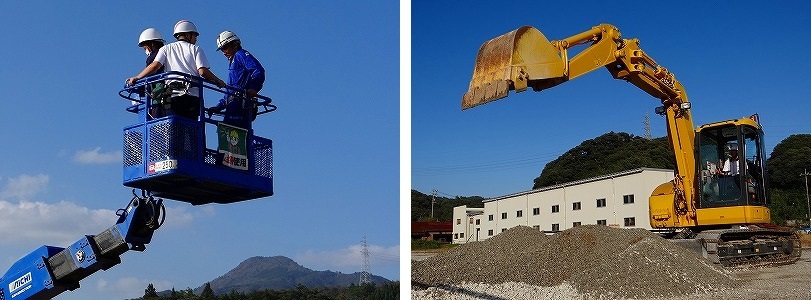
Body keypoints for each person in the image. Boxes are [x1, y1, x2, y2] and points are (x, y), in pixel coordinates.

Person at [127, 20, 225, 120]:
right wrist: (218, 81)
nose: (196, 39)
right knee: (191, 129)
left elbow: (155, 66)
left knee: (173, 128)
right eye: (195, 36)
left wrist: (137, 77)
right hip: (192, 97)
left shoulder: (166, 49)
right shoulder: (195, 49)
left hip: (172, 96)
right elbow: (202, 71)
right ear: (188, 34)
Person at [207, 30, 266, 131]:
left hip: (239, 105)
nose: (224, 52)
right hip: (233, 106)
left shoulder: (240, 55)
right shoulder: (234, 61)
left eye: (225, 48)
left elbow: (258, 70)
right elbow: (230, 91)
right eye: (222, 49)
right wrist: (218, 107)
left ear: (235, 44)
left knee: (233, 137)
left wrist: (253, 88)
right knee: (228, 138)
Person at [137, 28, 166, 118]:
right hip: (171, 92)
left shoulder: (153, 57)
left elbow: (149, 74)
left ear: (152, 44)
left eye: (145, 47)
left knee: (157, 118)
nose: (145, 50)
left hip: (159, 91)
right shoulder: (167, 53)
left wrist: (138, 85)